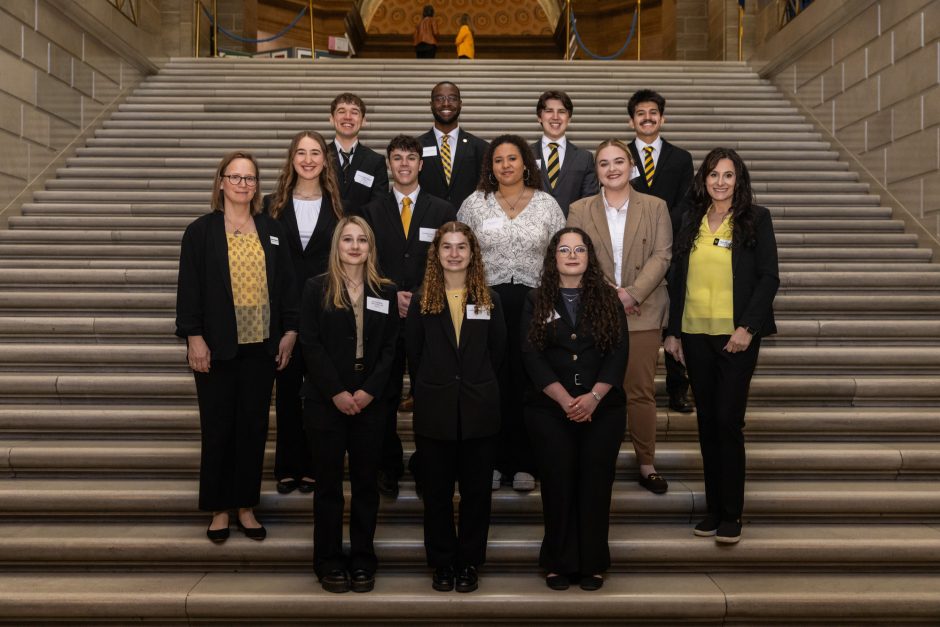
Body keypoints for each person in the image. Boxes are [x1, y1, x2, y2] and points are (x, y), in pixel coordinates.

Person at [176, 151, 298, 543]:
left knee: (253, 428)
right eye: (236, 177)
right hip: (216, 347)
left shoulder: (272, 229)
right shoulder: (201, 231)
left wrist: (290, 331)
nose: (243, 184)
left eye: (250, 178)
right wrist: (194, 336)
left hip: (260, 348)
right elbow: (189, 288)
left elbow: (286, 286)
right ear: (221, 182)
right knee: (218, 429)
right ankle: (218, 509)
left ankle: (245, 506)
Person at [663, 148, 779, 544]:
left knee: (728, 422)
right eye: (714, 174)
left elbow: (768, 278)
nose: (720, 182)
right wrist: (673, 331)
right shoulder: (689, 219)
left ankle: (732, 513)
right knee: (707, 423)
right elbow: (677, 278)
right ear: (704, 179)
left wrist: (748, 326)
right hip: (694, 334)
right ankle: (714, 510)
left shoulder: (755, 219)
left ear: (739, 180)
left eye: (728, 175)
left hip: (736, 338)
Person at [521, 227, 628, 591]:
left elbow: (618, 355)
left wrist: (593, 397)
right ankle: (557, 562)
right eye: (564, 249)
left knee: (595, 486)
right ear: (553, 258)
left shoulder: (608, 299)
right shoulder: (536, 299)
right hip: (550, 410)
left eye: (578, 249)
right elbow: (531, 356)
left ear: (588, 257)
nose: (571, 255)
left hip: (603, 409)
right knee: (557, 484)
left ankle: (593, 563)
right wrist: (565, 400)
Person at [457, 134, 566, 492]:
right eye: (498, 160)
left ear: (526, 164)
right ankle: (490, 460)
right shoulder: (474, 204)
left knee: (530, 381)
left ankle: (525, 462)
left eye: (512, 159)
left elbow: (560, 255)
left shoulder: (547, 205)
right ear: (490, 166)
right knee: (490, 381)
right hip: (487, 304)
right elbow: (460, 253)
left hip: (535, 304)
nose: (505, 165)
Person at [567, 139, 672, 495]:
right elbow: (576, 252)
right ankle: (597, 460)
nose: (612, 169)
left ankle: (646, 463)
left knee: (640, 391)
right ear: (596, 170)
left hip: (643, 310)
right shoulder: (579, 208)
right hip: (596, 310)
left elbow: (662, 255)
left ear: (631, 166)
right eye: (603, 163)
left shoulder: (656, 206)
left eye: (618, 162)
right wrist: (613, 296)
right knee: (595, 389)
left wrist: (633, 293)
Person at [300, 216, 399, 592]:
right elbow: (310, 344)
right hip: (326, 400)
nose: (355, 246)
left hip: (370, 400)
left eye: (362, 240)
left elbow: (391, 347)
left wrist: (370, 390)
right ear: (337, 246)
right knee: (328, 488)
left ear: (371, 247)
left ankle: (362, 559)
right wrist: (336, 392)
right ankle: (328, 560)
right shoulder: (317, 288)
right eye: (347, 240)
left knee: (365, 487)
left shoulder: (385, 291)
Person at [406, 221, 506, 593]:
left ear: (472, 254)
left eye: (461, 247)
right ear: (437, 254)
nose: (453, 253)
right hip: (435, 413)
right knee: (437, 495)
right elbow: (414, 356)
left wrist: (477, 386)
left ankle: (469, 562)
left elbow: (498, 355)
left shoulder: (490, 300)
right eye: (446, 247)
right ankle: (443, 562)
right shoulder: (422, 301)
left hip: (480, 412)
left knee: (477, 495)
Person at [359, 135, 457, 498]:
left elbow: (449, 258)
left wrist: (416, 297)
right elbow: (364, 261)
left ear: (421, 164)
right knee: (383, 394)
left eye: (410, 158)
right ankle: (388, 463)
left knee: (429, 393)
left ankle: (426, 464)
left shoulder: (442, 209)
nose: (404, 164)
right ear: (389, 163)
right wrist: (390, 293)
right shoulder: (371, 210)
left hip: (428, 313)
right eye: (397, 158)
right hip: (382, 314)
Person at [263, 130, 344, 496]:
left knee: (323, 391)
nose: (308, 159)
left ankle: (315, 465)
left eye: (315, 153)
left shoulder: (339, 205)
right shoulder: (270, 205)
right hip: (283, 313)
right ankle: (288, 465)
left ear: (325, 160)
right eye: (301, 153)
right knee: (288, 390)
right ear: (291, 159)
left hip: (328, 311)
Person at [626, 88, 695, 414]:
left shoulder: (680, 158)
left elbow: (687, 202)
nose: (648, 118)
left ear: (662, 118)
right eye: (641, 113)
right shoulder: (621, 156)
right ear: (632, 121)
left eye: (653, 113)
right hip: (630, 248)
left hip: (673, 247)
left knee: (674, 314)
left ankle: (678, 388)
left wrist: (663, 230)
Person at [418, 82, 489, 208]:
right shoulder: (416, 147)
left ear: (460, 104)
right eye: (439, 99)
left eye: (452, 98)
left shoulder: (480, 147)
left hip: (468, 222)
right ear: (431, 105)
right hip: (429, 221)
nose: (446, 103)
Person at [530, 90, 598, 216]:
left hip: (572, 230)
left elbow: (590, 202)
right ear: (539, 117)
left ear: (569, 118)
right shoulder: (525, 155)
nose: (555, 117)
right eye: (549, 111)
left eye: (561, 112)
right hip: (532, 232)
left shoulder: (584, 158)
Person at [326, 93, 389, 216]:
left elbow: (379, 205)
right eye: (341, 111)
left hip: (360, 232)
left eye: (354, 112)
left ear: (363, 121)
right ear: (332, 119)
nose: (348, 117)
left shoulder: (376, 161)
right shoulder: (319, 156)